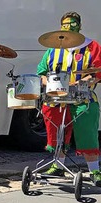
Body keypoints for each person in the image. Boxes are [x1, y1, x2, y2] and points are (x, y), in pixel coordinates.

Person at [37, 11, 101, 184]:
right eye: (65, 24)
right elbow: (42, 72)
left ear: (79, 26)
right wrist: (48, 82)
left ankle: (95, 171)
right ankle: (58, 165)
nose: (69, 27)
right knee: (57, 131)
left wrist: (81, 82)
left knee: (87, 133)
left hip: (83, 97)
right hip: (57, 99)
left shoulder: (92, 46)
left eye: (72, 24)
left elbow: (97, 73)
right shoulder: (53, 49)